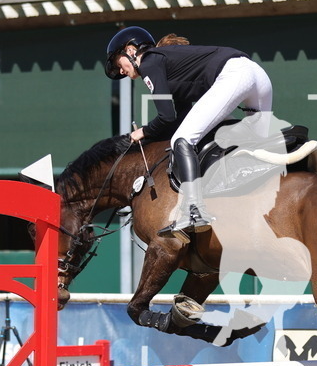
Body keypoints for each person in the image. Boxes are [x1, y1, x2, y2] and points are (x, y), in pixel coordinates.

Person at [104, 26, 274, 240]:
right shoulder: (169, 67)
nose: (120, 71)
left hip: (235, 75)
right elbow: (178, 117)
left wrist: (143, 132)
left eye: (118, 62)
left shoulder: (148, 61)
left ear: (130, 50)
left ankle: (194, 210)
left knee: (182, 139)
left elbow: (166, 117)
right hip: (257, 75)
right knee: (258, 150)